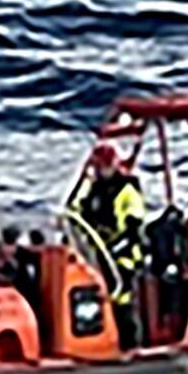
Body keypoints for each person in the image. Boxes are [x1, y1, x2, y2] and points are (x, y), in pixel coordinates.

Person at [69, 142, 148, 341]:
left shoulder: (127, 191)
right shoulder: (94, 190)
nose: (99, 171)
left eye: (102, 167)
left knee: (121, 296)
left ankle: (130, 341)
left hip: (123, 255)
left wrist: (112, 249)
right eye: (96, 167)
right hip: (97, 251)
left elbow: (133, 229)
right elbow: (75, 211)